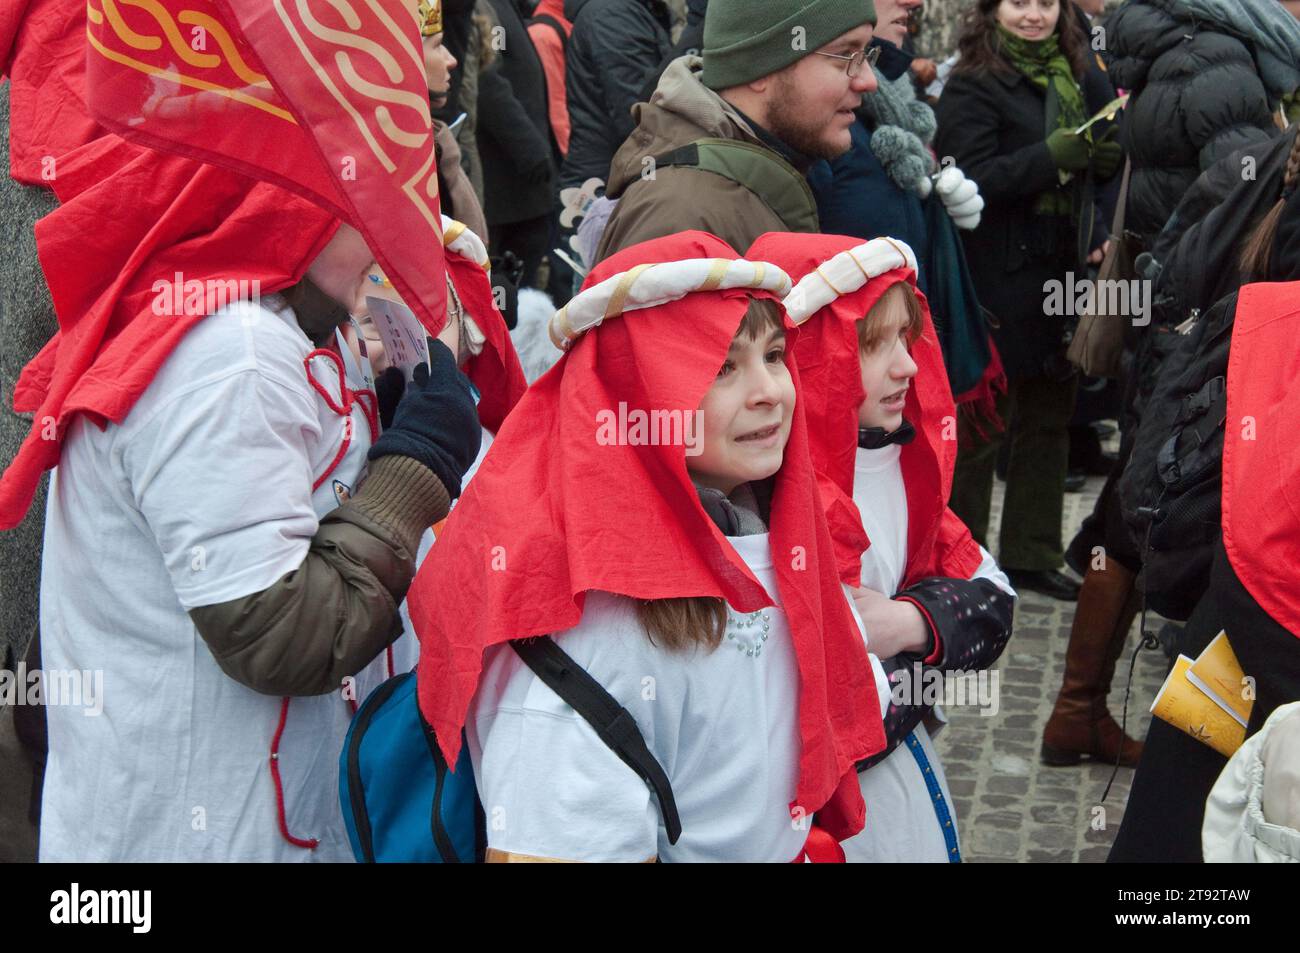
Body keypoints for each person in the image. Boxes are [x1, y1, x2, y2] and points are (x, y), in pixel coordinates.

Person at [2, 0, 484, 861]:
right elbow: (284, 631)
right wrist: (417, 463)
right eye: (374, 189)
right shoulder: (230, 353)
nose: (403, 221)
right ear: (294, 194)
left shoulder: (284, 322)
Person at [406, 231, 886, 862]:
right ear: (636, 396)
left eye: (774, 355)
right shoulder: (592, 639)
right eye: (721, 367)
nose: (770, 388)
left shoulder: (775, 546)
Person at [753, 231, 1016, 862]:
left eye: (906, 336)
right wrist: (936, 648)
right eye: (874, 344)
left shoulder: (894, 461)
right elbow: (838, 721)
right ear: (815, 353)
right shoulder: (773, 502)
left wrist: (902, 621)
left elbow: (997, 603)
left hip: (904, 796)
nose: (909, 365)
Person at [935, 0, 1119, 602]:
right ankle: (960, 558)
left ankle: (1032, 553)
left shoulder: (1077, 72)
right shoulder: (974, 81)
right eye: (1019, 3)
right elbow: (969, 176)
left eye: (1045, 3)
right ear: (993, 11)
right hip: (998, 274)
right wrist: (1051, 158)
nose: (1033, 15)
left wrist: (1101, 160)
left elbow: (1103, 149)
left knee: (1049, 414)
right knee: (985, 423)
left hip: (1061, 269)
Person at [593, 0, 880, 260]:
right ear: (762, 69)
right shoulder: (679, 218)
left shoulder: (772, 176)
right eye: (845, 55)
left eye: (867, 54)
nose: (869, 81)